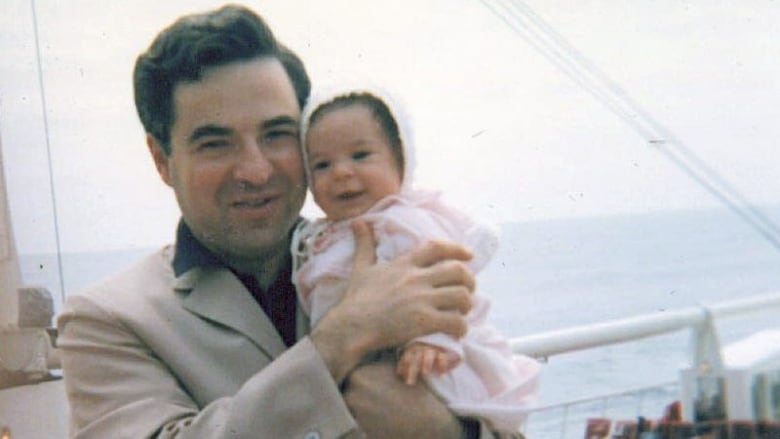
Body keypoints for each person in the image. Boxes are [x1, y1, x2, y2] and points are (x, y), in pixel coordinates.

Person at [55, 4, 521, 439]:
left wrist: (453, 433)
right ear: (162, 160)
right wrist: (342, 337)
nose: (256, 170)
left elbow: (491, 393)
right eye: (215, 144)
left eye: (277, 134)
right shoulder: (107, 320)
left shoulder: (392, 251)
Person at [292, 87, 540, 433]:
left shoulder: (405, 222)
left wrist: (431, 340)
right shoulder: (320, 238)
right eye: (322, 164)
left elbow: (447, 284)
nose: (341, 172)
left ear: (401, 159)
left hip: (422, 360)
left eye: (361, 155)